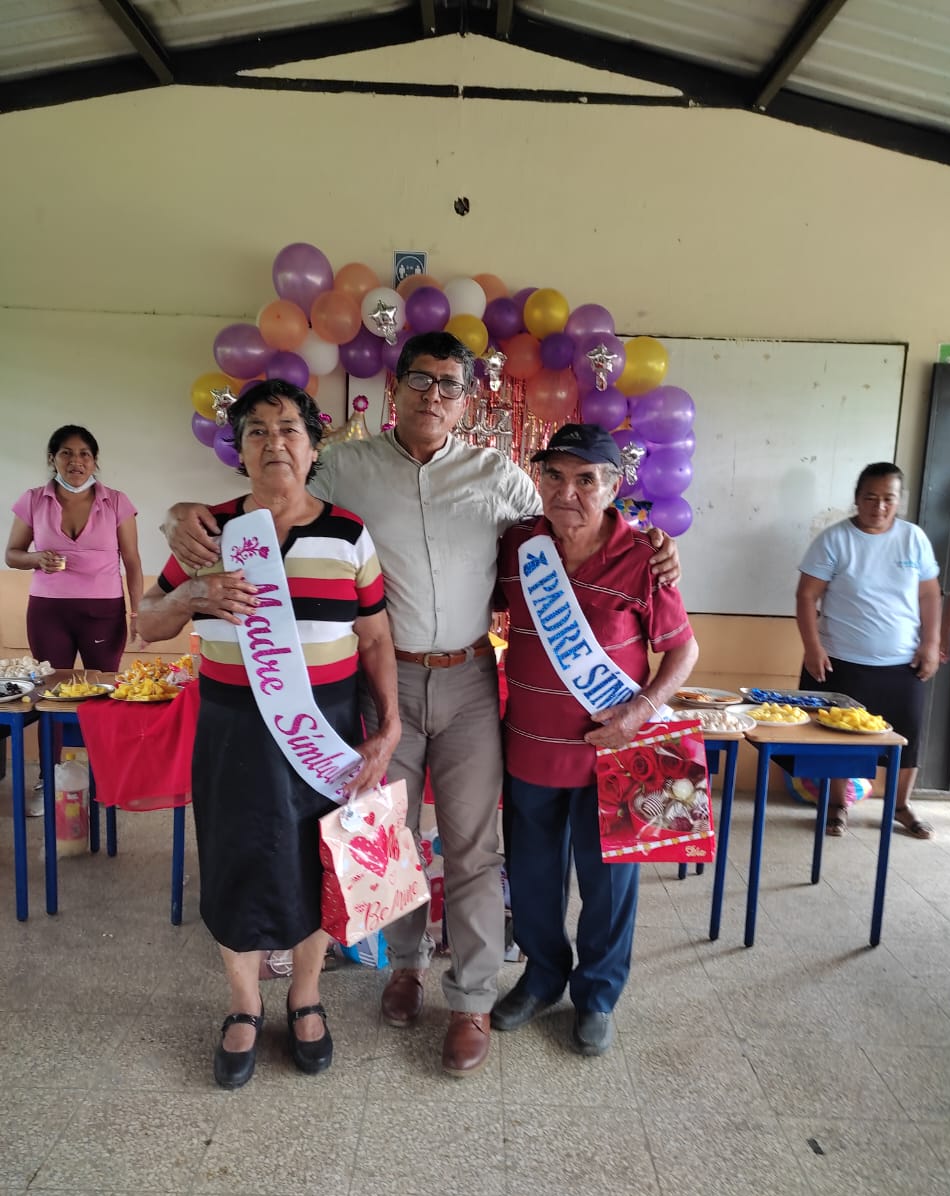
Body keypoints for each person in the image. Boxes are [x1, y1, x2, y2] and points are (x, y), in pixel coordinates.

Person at [163, 332, 681, 1077]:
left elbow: (571, 520)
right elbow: (276, 484)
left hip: (470, 680)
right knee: (389, 837)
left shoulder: (499, 475)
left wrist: (654, 542)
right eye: (419, 380)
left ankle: (471, 997)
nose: (432, 395)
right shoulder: (345, 467)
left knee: (473, 846)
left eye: (449, 384)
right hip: (385, 679)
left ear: (466, 401)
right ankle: (403, 967)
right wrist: (179, 512)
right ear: (396, 387)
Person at [138, 379, 400, 1089]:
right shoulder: (208, 532)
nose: (273, 443)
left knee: (317, 860)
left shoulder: (348, 534)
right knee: (234, 858)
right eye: (257, 431)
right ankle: (244, 1003)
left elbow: (376, 639)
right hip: (232, 729)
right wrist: (193, 593)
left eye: (289, 430)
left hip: (324, 729)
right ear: (240, 450)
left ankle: (305, 996)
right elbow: (148, 621)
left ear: (314, 448)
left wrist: (388, 724)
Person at [491, 423, 698, 1055]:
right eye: (554, 476)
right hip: (530, 749)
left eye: (586, 480)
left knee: (609, 886)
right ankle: (542, 977)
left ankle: (598, 994)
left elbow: (683, 651)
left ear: (612, 488)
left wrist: (641, 711)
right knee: (532, 878)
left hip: (615, 755)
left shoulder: (644, 558)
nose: (567, 492)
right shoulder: (519, 546)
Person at [796, 461, 940, 839]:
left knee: (907, 738)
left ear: (899, 500)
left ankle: (900, 805)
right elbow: (807, 595)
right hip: (842, 660)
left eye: (888, 498)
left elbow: (929, 594)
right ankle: (837, 804)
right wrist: (812, 647)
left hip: (903, 662)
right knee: (840, 739)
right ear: (857, 499)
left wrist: (931, 643)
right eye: (871, 498)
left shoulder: (913, 538)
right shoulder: (834, 540)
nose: (879, 507)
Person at [6, 425, 143, 673]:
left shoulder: (116, 501)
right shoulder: (33, 499)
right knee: (52, 684)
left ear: (94, 460)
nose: (76, 461)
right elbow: (12, 555)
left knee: (102, 682)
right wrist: (36, 559)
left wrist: (138, 614)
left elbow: (132, 562)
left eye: (84, 454)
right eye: (66, 453)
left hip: (104, 612)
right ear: (52, 458)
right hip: (48, 611)